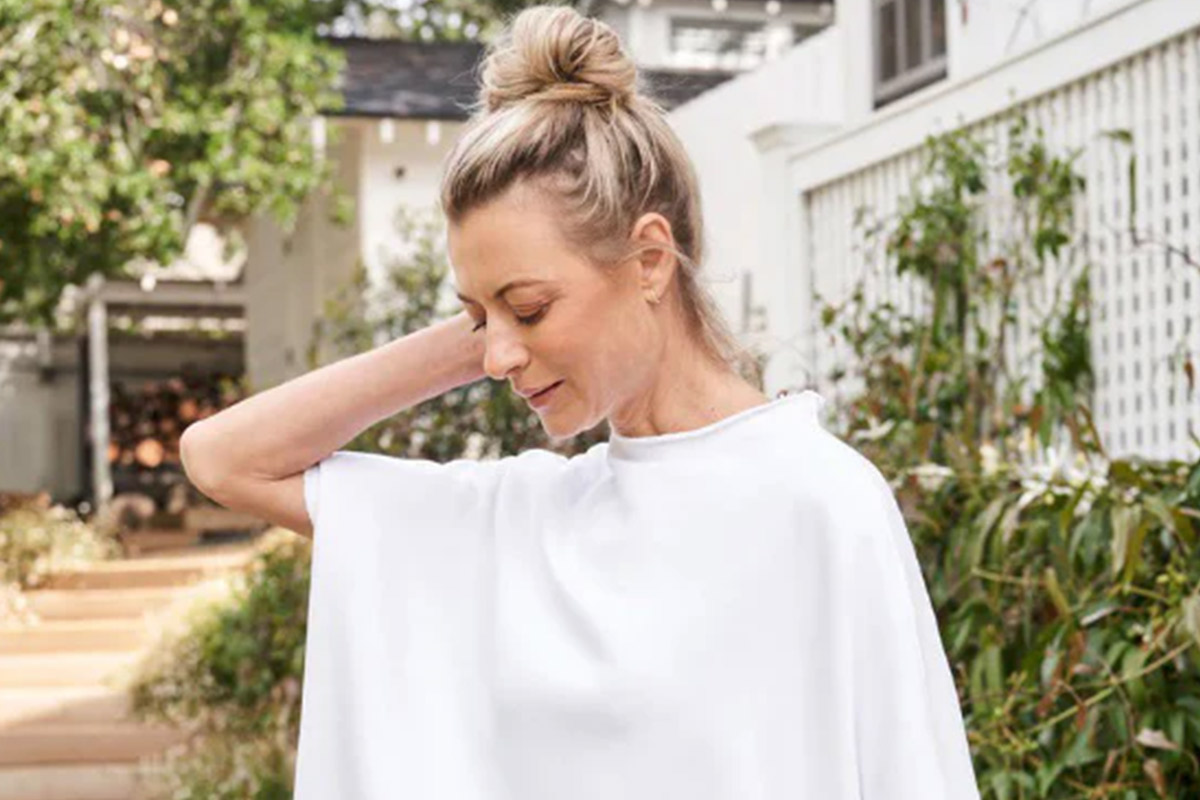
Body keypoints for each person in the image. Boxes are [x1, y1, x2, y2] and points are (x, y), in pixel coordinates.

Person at [179, 5, 982, 799]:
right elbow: (222, 459)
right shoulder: (520, 519)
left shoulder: (822, 500)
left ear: (649, 261)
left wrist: (501, 318)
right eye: (475, 315)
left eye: (527, 308)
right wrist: (486, 328)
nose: (497, 357)